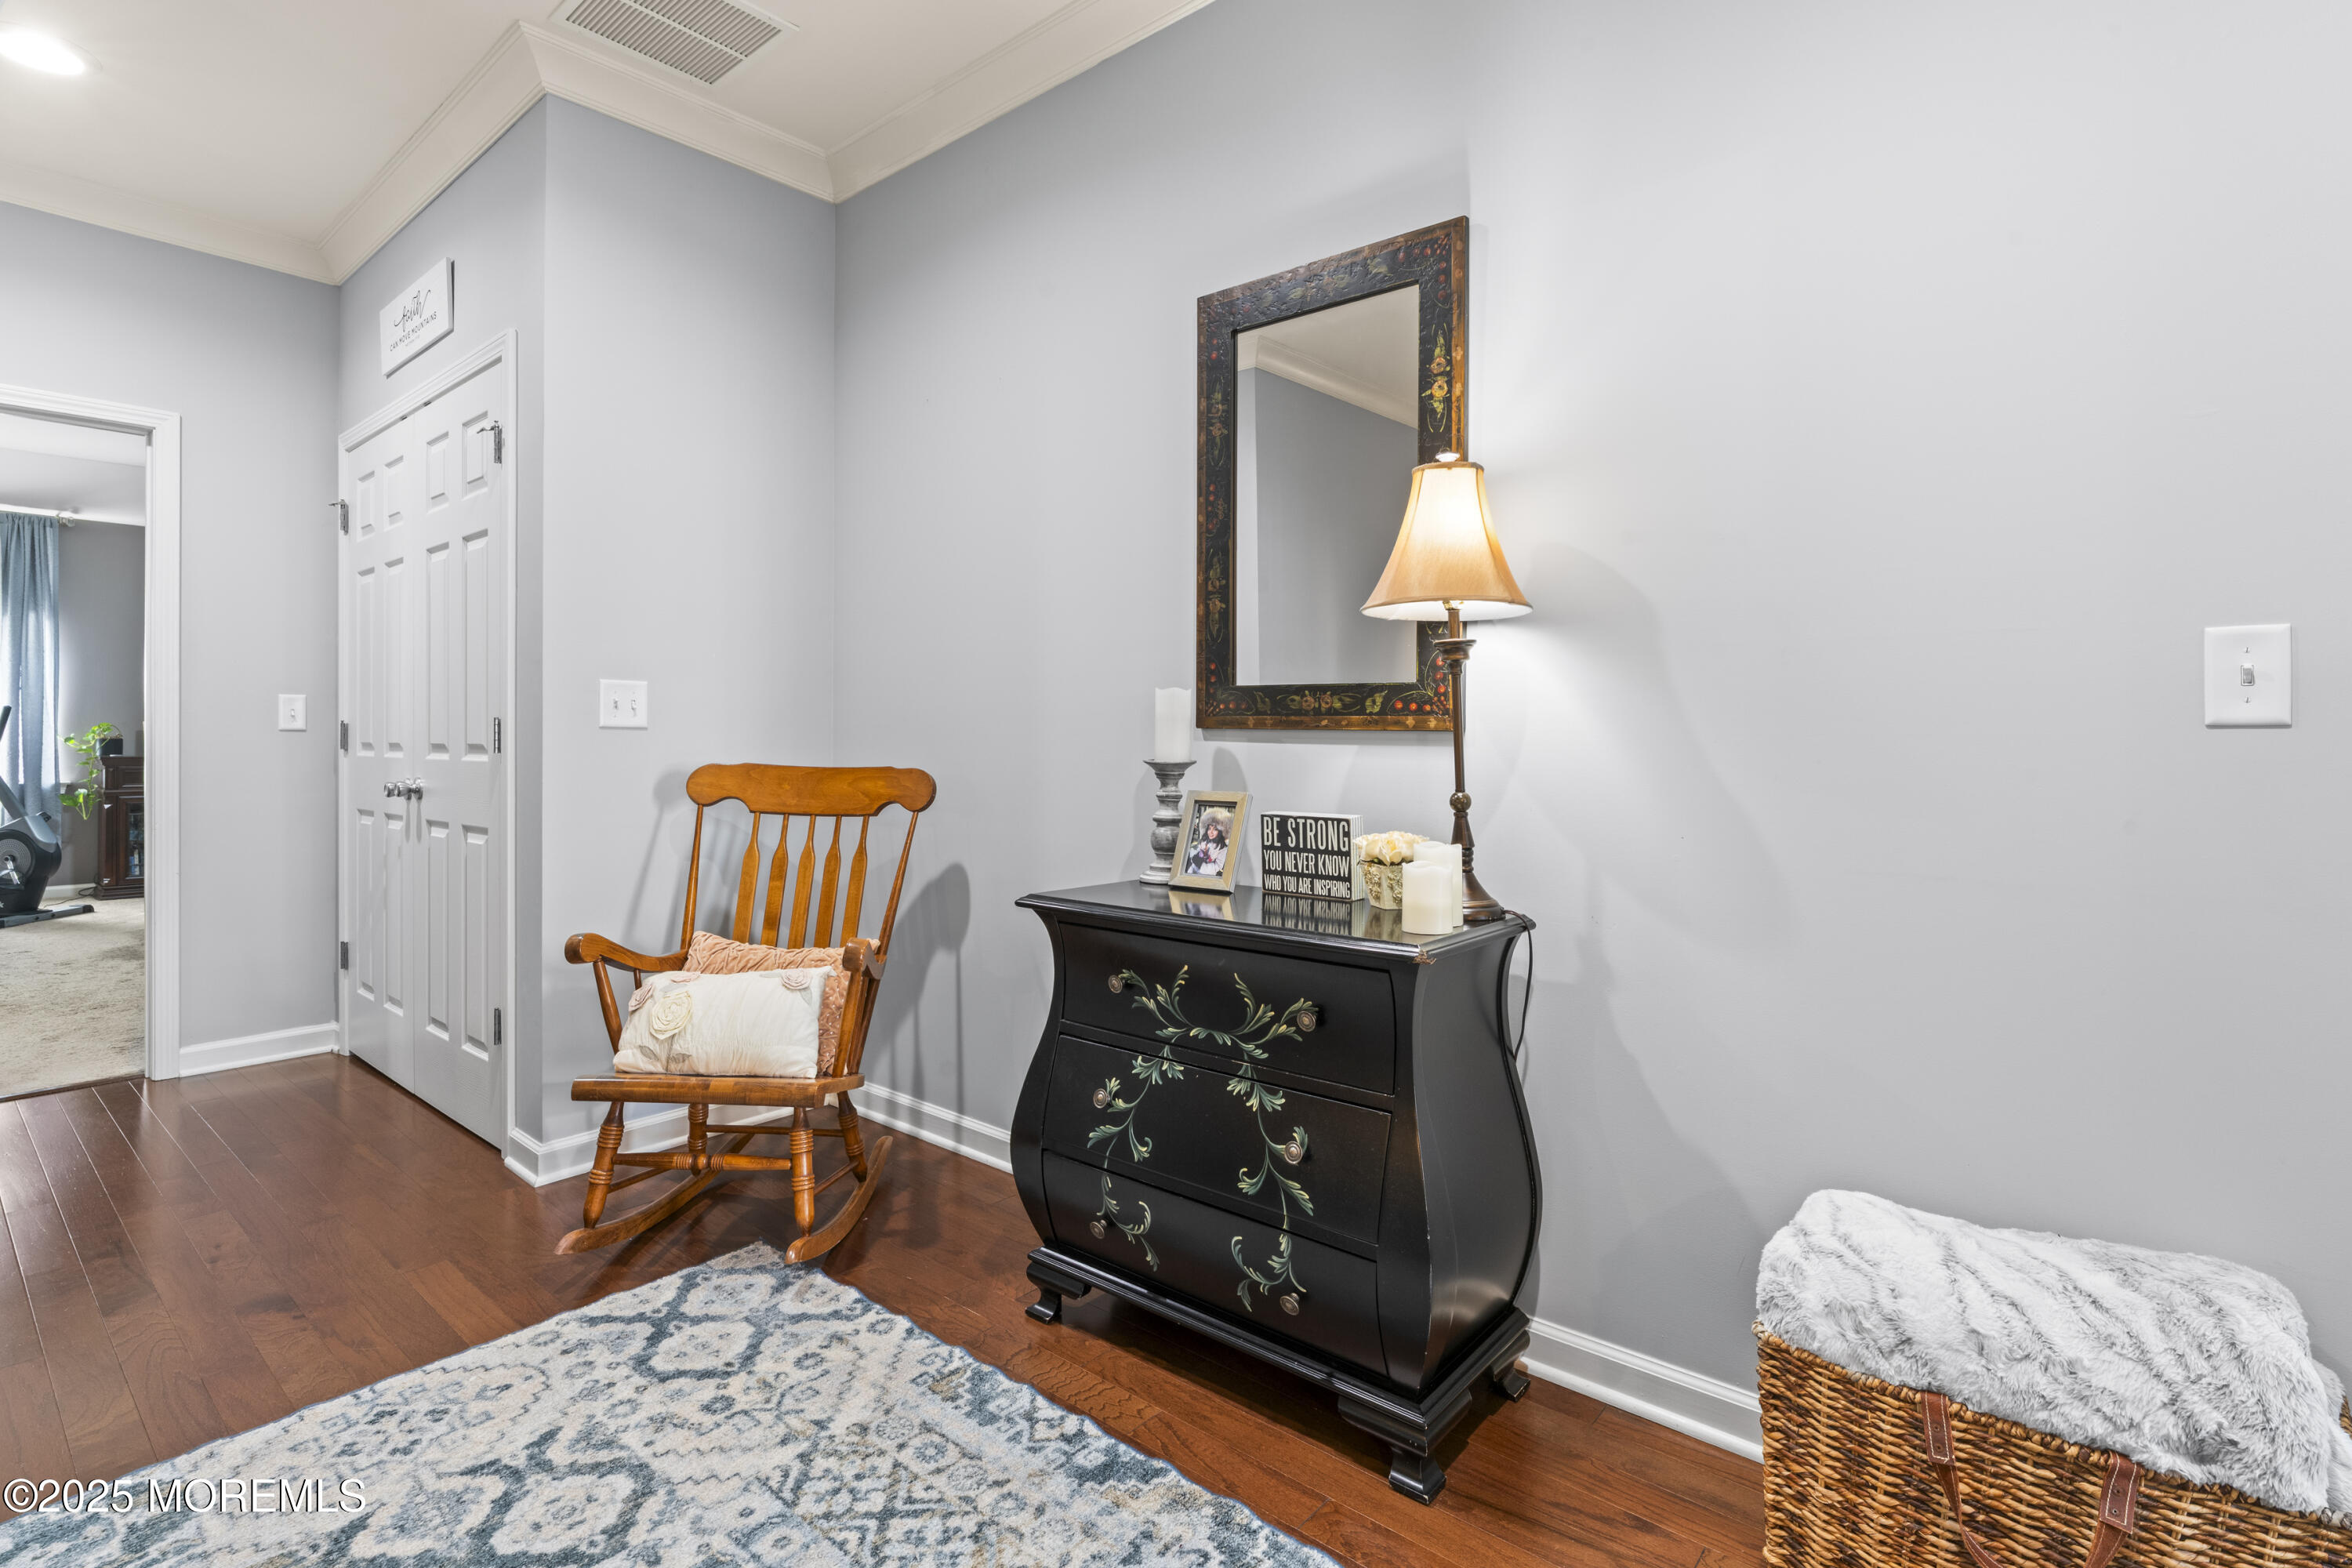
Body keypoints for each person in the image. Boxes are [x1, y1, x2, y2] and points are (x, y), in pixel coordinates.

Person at [1184, 811, 1229, 877]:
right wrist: (1195, 856)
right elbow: (1199, 851)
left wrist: (1201, 865)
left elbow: (1218, 866)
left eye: (1215, 829)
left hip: (1206, 876)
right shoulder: (1205, 839)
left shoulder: (1222, 847)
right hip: (1192, 870)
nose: (1211, 832)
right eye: (1209, 829)